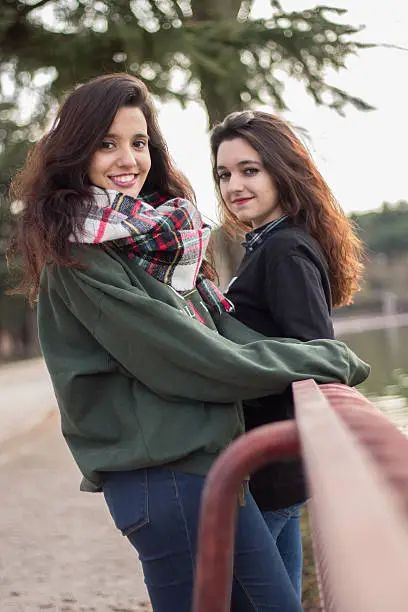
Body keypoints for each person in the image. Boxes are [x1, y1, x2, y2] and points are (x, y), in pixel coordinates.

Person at [8, 74, 369, 612]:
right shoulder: (81, 256)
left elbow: (218, 329)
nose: (128, 158)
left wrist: (319, 358)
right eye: (107, 144)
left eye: (139, 142)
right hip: (166, 479)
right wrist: (328, 356)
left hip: (206, 471)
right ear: (76, 152)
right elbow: (193, 357)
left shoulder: (145, 242)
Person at [210, 110, 364, 599]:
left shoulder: (285, 252)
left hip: (270, 469)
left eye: (249, 170)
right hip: (274, 467)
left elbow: (315, 357)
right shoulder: (267, 246)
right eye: (225, 174)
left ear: (281, 169)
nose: (235, 184)